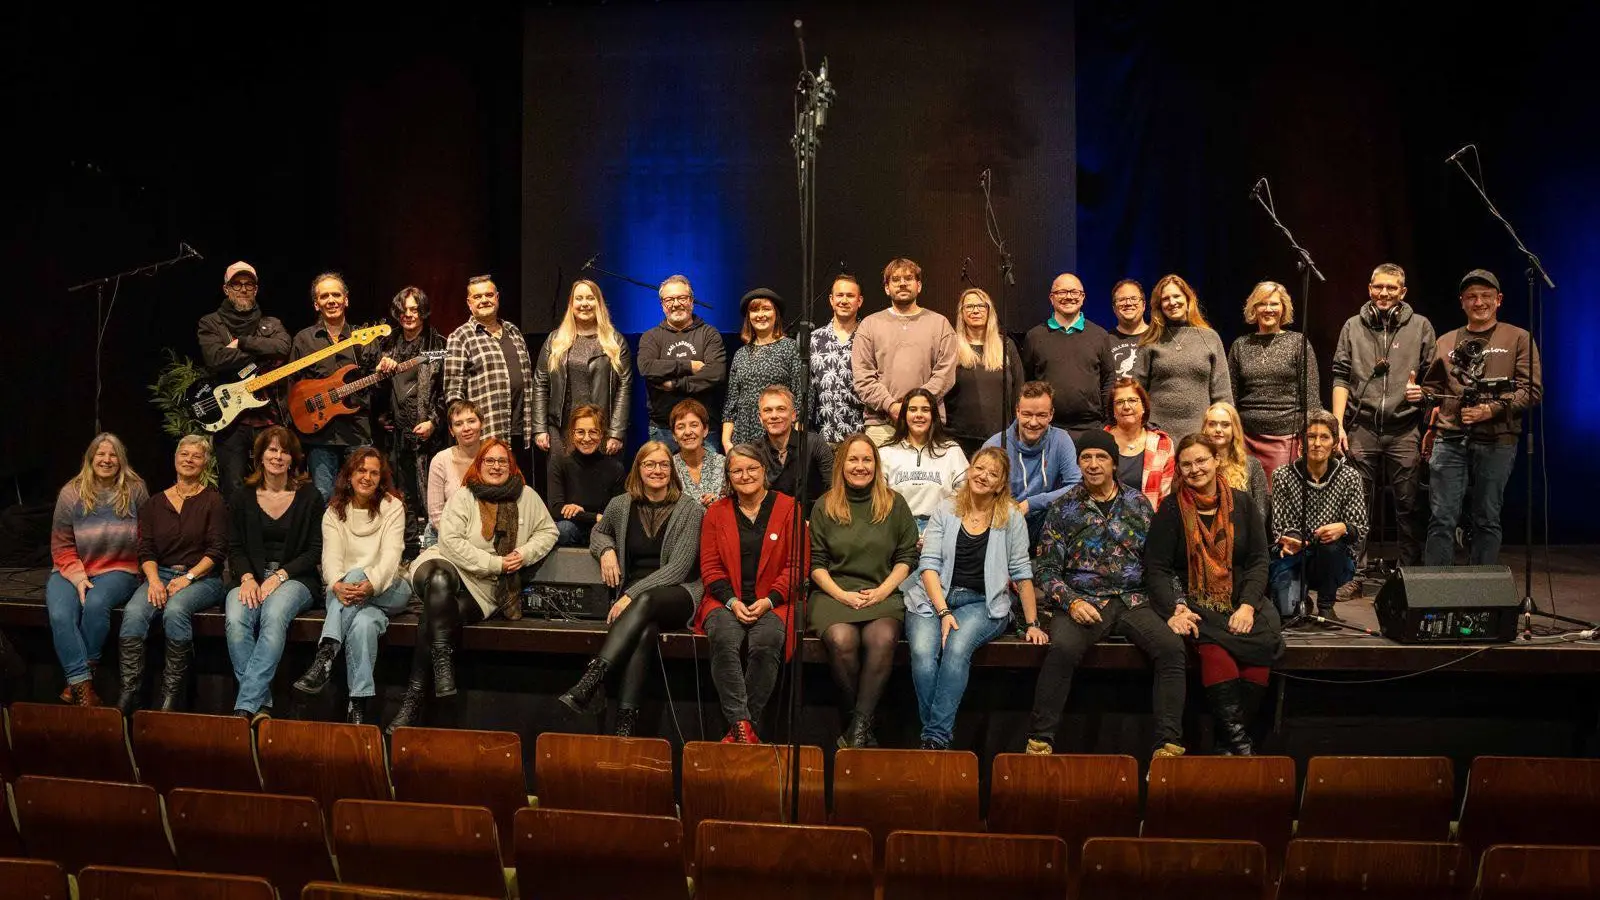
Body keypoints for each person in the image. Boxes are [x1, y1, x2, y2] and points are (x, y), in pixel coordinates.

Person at [1026, 430, 1184, 759]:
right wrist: (1072, 601)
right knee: (1063, 649)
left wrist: (1178, 605)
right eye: (1086, 458)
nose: (1093, 464)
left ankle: (1168, 746)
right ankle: (1039, 742)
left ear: (1114, 464)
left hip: (1134, 600)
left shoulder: (1138, 503)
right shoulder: (1063, 507)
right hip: (1084, 600)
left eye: (1101, 458)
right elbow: (1046, 570)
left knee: (1171, 649)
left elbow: (1159, 564)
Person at [393, 439, 558, 732]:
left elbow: (548, 531)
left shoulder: (527, 496)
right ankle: (442, 662)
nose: (496, 466)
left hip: (486, 589)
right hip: (445, 564)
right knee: (440, 581)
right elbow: (450, 543)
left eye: (502, 461)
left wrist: (524, 553)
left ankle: (414, 697)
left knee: (434, 615)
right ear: (478, 465)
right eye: (489, 461)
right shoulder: (465, 495)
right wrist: (496, 563)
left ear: (511, 465)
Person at [558, 443, 705, 737]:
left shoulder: (690, 509)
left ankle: (593, 677)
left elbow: (679, 568)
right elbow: (599, 532)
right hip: (638, 605)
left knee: (648, 600)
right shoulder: (621, 505)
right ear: (638, 469)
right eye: (649, 464)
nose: (657, 471)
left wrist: (630, 595)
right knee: (645, 631)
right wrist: (607, 550)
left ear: (672, 470)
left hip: (679, 594)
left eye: (663, 464)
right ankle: (626, 719)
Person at [1146, 435, 1278, 756]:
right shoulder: (1171, 509)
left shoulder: (1243, 503)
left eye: (1201, 460)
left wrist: (1247, 606)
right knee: (1216, 648)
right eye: (1187, 464)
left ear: (1217, 460)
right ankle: (1239, 745)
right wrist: (1176, 608)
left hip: (1241, 597)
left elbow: (1260, 560)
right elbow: (1157, 568)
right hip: (1195, 601)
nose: (1195, 469)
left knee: (1262, 649)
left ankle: (1227, 745)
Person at [904, 447, 1042, 750]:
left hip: (983, 602)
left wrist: (1032, 622)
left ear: (1001, 482)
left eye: (993, 473)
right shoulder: (947, 508)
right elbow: (928, 565)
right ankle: (936, 736)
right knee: (923, 655)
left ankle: (934, 740)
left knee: (956, 646)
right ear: (969, 471)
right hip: (933, 597)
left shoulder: (1011, 516)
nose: (983, 476)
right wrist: (942, 611)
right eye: (979, 468)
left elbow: (1021, 572)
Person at [1419, 269, 1543, 567]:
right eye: (1472, 296)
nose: (1479, 302)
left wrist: (1492, 409)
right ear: (1462, 302)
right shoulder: (1447, 340)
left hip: (1498, 439)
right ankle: (1437, 596)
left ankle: (1481, 594)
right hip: (1449, 438)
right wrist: (1420, 397)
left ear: (1498, 300)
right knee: (1441, 517)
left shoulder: (1518, 338)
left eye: (1486, 296)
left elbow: (1532, 390)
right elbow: (1432, 389)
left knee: (1487, 517)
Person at [809, 434, 920, 748]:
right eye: (853, 460)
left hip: (881, 593)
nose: (860, 466)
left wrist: (883, 591)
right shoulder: (824, 505)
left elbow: (907, 557)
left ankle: (855, 731)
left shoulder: (894, 503)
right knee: (842, 640)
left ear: (876, 464)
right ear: (842, 464)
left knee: (882, 638)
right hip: (833, 594)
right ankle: (861, 728)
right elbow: (816, 563)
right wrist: (843, 595)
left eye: (866, 460)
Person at [291, 448, 412, 725]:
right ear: (349, 475)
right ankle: (357, 705)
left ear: (381, 478)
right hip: (351, 599)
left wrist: (368, 584)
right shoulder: (334, 512)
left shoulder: (392, 506)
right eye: (361, 471)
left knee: (355, 573)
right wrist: (335, 583)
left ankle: (326, 655)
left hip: (390, 589)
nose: (366, 477)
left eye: (373, 472)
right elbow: (330, 559)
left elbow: (391, 558)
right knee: (364, 624)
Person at [693, 445, 804, 744]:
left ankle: (741, 728)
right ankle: (744, 726)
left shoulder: (789, 508)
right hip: (725, 601)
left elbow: (797, 565)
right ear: (728, 477)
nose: (745, 475)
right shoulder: (716, 512)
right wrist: (732, 601)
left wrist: (770, 600)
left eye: (752, 468)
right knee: (724, 640)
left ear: (764, 470)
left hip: (775, 602)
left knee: (766, 642)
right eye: (737, 470)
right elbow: (710, 566)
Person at [1330, 263, 1435, 567]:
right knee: (1355, 504)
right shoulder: (1352, 326)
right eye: (1379, 287)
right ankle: (1353, 573)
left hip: (1404, 428)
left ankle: (1408, 575)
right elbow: (1340, 375)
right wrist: (1338, 423)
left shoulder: (1421, 326)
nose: (1384, 293)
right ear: (1369, 289)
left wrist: (1423, 394)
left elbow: (1433, 379)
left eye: (1392, 288)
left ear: (1403, 292)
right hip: (1361, 427)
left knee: (1408, 505)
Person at [115, 435, 228, 716]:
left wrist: (188, 577)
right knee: (133, 612)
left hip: (203, 578)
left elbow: (217, 551)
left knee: (175, 610)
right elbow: (146, 549)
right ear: (175, 460)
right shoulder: (154, 503)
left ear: (205, 463)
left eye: (196, 456)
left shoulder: (213, 501)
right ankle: (131, 691)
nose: (189, 460)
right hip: (159, 574)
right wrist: (154, 581)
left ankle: (172, 695)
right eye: (184, 455)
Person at [224, 426, 324, 721]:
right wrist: (246, 578)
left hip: (295, 579)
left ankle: (245, 706)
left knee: (273, 615)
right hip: (250, 577)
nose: (277, 456)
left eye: (284, 451)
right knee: (236, 617)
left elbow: (314, 551)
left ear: (293, 459)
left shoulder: (310, 496)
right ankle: (261, 704)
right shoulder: (243, 496)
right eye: (271, 450)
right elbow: (235, 547)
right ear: (260, 456)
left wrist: (279, 576)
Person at [47, 433, 147, 706]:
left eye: (112, 454)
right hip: (71, 569)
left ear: (121, 459)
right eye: (101, 454)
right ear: (90, 459)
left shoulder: (135, 489)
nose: (106, 459)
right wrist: (78, 577)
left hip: (119, 568)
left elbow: (144, 537)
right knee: (60, 613)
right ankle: (82, 685)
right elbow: (62, 543)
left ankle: (76, 684)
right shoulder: (71, 492)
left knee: (96, 604)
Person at [196, 261, 291, 499]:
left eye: (249, 284)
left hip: (268, 417)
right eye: (236, 284)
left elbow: (283, 347)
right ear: (226, 289)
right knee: (234, 487)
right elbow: (216, 358)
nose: (243, 289)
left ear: (256, 289)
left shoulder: (272, 323)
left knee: (273, 485)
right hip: (230, 421)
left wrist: (242, 343)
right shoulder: (210, 323)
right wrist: (263, 350)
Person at [1269, 411, 1367, 622]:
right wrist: (1293, 539)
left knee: (1330, 543)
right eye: (1311, 436)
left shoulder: (1349, 477)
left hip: (1334, 557)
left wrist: (1343, 528)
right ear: (1302, 440)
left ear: (1334, 443)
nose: (1316, 443)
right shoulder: (1282, 476)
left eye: (1324, 437)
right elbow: (1280, 525)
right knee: (1288, 614)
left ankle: (1326, 605)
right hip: (1296, 554)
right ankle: (1301, 597)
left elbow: (1360, 527)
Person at [532, 279, 633, 483]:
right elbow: (540, 384)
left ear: (599, 304)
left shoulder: (615, 341)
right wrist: (540, 428)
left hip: (600, 430)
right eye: (579, 298)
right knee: (563, 492)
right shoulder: (555, 340)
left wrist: (616, 432)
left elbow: (624, 387)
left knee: (599, 490)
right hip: (560, 431)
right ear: (571, 304)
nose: (584, 303)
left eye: (590, 298)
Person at [852, 258, 958, 446]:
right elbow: (863, 376)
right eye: (896, 279)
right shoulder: (869, 325)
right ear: (886, 288)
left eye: (908, 278)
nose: (902, 283)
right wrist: (891, 405)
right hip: (882, 424)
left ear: (919, 286)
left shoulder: (940, 324)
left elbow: (945, 374)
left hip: (927, 422)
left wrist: (916, 407)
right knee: (880, 476)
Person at [291, 273, 377, 500]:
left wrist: (384, 371)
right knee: (323, 497)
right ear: (316, 304)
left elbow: (377, 387)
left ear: (346, 300)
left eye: (336, 294)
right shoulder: (304, 339)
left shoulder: (365, 337)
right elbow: (293, 387)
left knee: (362, 497)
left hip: (357, 431)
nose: (331, 300)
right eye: (324, 295)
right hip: (319, 435)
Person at [374, 286, 447, 551]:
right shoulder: (386, 345)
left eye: (414, 309)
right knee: (400, 495)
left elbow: (446, 389)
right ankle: (407, 549)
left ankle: (434, 550)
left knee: (432, 495)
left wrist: (434, 422)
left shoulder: (438, 345)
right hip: (395, 437)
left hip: (429, 436)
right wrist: (382, 417)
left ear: (423, 311)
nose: (409, 315)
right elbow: (376, 390)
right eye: (404, 310)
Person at [1229, 281, 1323, 482]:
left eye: (1274, 304)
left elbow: (1312, 398)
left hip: (1286, 438)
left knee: (1280, 499)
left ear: (1284, 308)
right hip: (1246, 438)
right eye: (1262, 304)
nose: (1268, 309)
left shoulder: (1298, 342)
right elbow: (1231, 396)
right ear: (1254, 308)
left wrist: (1309, 437)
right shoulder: (1240, 345)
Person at [982, 381, 1083, 543]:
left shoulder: (1061, 440)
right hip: (1004, 521)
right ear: (1017, 412)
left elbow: (1076, 486)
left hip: (1047, 520)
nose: (1034, 422)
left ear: (1051, 415)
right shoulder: (995, 445)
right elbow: (981, 492)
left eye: (1041, 415)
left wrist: (1031, 503)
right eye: (1027, 414)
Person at [444, 275, 535, 452]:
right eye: (477, 297)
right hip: (487, 434)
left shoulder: (513, 331)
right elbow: (453, 394)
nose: (484, 300)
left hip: (521, 432)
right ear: (469, 303)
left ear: (497, 298)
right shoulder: (460, 337)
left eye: (489, 295)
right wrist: (467, 431)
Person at [1136, 274, 1232, 440]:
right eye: (1166, 299)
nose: (1172, 302)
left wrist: (1223, 431)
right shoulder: (1150, 340)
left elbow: (1222, 394)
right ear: (1159, 305)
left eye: (1177, 296)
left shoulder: (1209, 337)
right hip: (1157, 434)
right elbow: (1137, 389)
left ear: (1188, 299)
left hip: (1200, 433)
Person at [637, 274, 726, 451]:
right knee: (662, 478)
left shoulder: (709, 334)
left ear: (692, 301)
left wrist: (676, 384)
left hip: (704, 429)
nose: (676, 304)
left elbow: (715, 373)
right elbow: (647, 367)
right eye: (669, 299)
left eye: (682, 298)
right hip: (663, 429)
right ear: (662, 305)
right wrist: (689, 366)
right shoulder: (651, 336)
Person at [1021, 272, 1115, 437]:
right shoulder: (1034, 336)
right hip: (1047, 427)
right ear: (1051, 298)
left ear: (1083, 296)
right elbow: (1026, 382)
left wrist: (1108, 422)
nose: (1069, 297)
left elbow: (1108, 380)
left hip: (1091, 427)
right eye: (1062, 292)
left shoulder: (1100, 335)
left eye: (1074, 292)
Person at [944, 287, 1024, 458]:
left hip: (1000, 438)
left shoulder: (1006, 346)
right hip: (959, 440)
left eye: (981, 306)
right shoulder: (950, 347)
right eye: (969, 307)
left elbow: (1019, 391)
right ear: (961, 313)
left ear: (990, 310)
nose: (975, 311)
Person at [722, 288, 803, 449]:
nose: (760, 315)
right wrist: (726, 441)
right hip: (743, 437)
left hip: (779, 436)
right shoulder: (741, 354)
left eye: (766, 309)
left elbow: (800, 397)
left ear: (776, 314)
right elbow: (731, 401)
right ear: (748, 317)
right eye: (754, 310)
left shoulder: (790, 348)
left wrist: (795, 440)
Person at [879, 388, 969, 530]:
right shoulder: (886, 452)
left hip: (941, 525)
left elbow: (964, 493)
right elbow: (879, 496)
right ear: (904, 415)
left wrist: (938, 525)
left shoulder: (952, 451)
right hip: (898, 527)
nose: (919, 415)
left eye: (925, 410)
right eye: (913, 409)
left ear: (933, 415)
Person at [548, 405, 627, 547]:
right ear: (572, 434)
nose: (586, 438)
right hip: (574, 531)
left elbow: (618, 515)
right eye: (580, 432)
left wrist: (581, 514)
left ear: (602, 434)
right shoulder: (559, 464)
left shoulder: (615, 468)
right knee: (564, 529)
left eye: (593, 432)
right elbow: (555, 508)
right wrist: (594, 516)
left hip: (603, 531)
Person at [752, 386, 832, 517]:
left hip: (811, 520)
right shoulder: (754, 451)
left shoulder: (814, 443)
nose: (774, 416)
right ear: (760, 418)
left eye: (781, 409)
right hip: (771, 524)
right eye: (767, 410)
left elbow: (834, 488)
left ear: (793, 415)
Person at [809, 274, 868, 445]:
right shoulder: (814, 339)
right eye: (839, 295)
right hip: (822, 437)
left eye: (850, 296)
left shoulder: (869, 337)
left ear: (860, 301)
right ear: (831, 299)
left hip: (860, 436)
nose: (844, 300)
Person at [1104, 377, 1176, 509]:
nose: (1126, 407)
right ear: (1113, 411)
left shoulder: (1163, 444)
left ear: (1143, 406)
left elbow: (1163, 500)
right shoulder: (1099, 441)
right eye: (1119, 402)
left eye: (1132, 400)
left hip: (1148, 522)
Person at [425, 400, 485, 547]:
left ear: (482, 424)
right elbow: (436, 515)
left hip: (485, 537)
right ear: (451, 431)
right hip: (444, 536)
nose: (466, 428)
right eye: (458, 424)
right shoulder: (441, 461)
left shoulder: (494, 455)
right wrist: (463, 544)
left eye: (471, 421)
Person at [1202, 402, 1269, 524]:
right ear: (1205, 429)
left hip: (1244, 535)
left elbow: (1261, 513)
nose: (1218, 429)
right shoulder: (1197, 466)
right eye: (1212, 424)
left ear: (1234, 430)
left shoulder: (1252, 465)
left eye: (1225, 425)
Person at [670, 399, 726, 508]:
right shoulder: (668, 467)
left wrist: (719, 504)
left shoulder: (723, 464)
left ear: (705, 430)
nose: (687, 432)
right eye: (681, 427)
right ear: (674, 435)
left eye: (694, 425)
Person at [1106, 278, 1150, 382]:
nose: (1128, 303)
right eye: (1121, 299)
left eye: (1134, 298)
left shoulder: (1158, 336)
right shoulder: (1104, 341)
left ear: (1144, 305)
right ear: (1114, 308)